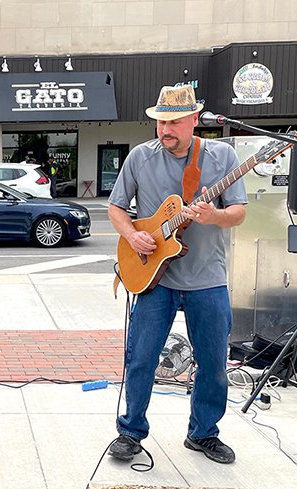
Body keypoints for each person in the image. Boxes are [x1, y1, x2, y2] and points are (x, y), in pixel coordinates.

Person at [106, 84, 247, 465]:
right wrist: (132, 235)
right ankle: (131, 431)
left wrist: (213, 216)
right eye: (160, 123)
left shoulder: (222, 156)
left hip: (208, 277)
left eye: (174, 123)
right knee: (141, 358)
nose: (165, 130)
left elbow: (238, 212)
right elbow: (116, 208)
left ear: (194, 120)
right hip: (156, 278)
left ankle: (203, 433)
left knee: (213, 363)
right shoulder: (140, 157)